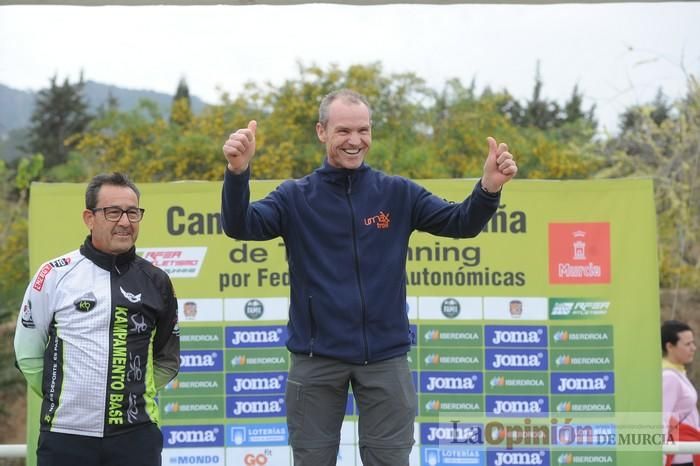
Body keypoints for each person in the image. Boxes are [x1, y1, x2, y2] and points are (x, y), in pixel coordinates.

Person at [220, 89, 517, 466]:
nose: (355, 140)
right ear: (321, 131)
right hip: (315, 359)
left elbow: (460, 223)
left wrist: (488, 187)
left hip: (385, 358)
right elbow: (239, 225)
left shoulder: (396, 192)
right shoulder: (295, 196)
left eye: (364, 130)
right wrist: (237, 173)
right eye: (344, 130)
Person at [14, 172, 180, 466]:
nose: (125, 222)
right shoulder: (53, 275)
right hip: (65, 436)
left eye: (132, 212)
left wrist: (128, 395)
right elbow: (28, 354)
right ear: (89, 218)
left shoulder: (157, 281)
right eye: (113, 212)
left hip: (136, 435)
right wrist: (67, 396)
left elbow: (167, 358)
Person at [662, 320, 699, 466]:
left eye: (693, 343)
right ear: (670, 346)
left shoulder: (678, 372)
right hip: (680, 456)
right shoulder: (669, 377)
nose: (693, 348)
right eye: (687, 344)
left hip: (689, 450)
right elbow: (662, 418)